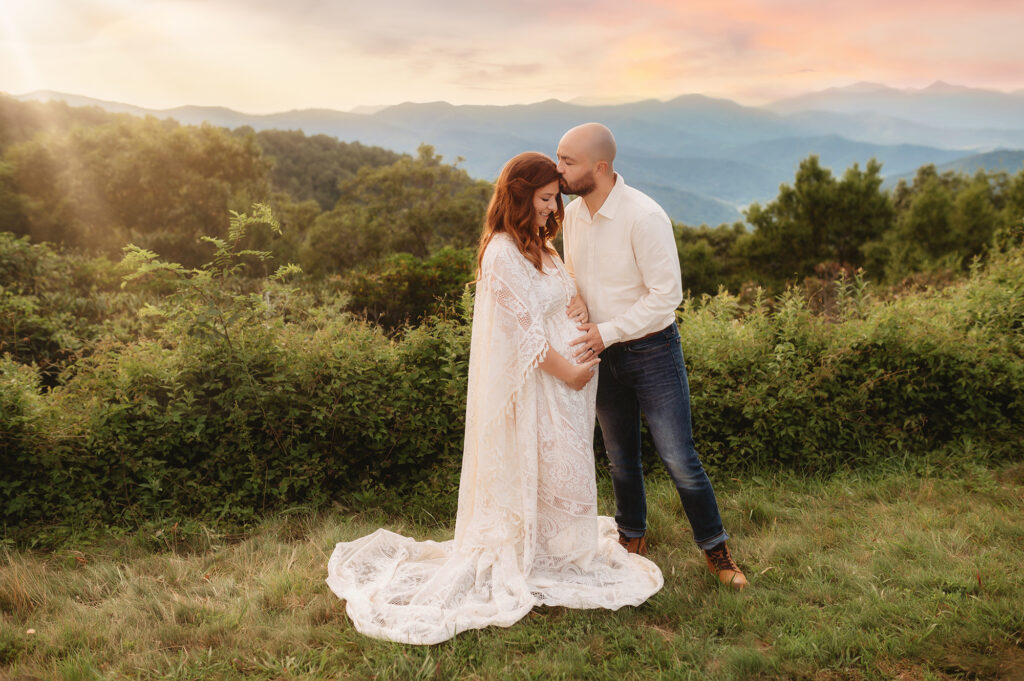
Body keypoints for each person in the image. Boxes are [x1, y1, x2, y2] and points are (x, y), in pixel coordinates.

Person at [325, 152, 663, 644]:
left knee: (561, 471)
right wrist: (570, 371)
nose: (553, 209)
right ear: (521, 196)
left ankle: (560, 546)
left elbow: (562, 292)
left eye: (555, 199)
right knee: (542, 467)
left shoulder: (539, 246)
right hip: (544, 387)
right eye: (546, 199)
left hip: (565, 393)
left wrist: (578, 303)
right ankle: (534, 550)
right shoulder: (502, 252)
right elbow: (522, 335)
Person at [556, 123, 748, 590]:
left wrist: (608, 331)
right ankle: (632, 540)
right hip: (599, 352)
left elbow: (667, 296)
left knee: (679, 457)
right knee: (620, 458)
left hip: (652, 351)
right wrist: (575, 297)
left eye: (567, 161)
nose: (557, 169)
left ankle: (718, 552)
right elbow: (573, 272)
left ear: (599, 168)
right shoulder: (575, 215)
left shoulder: (644, 216)